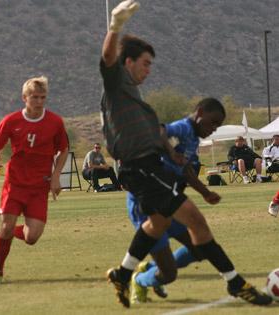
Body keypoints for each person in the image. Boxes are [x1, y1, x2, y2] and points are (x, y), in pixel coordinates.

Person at [101, 0, 271, 308]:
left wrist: (177, 161)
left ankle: (124, 274)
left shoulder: (133, 96)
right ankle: (235, 283)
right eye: (145, 63)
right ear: (128, 63)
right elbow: (107, 60)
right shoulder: (117, 84)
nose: (149, 70)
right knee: (195, 222)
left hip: (147, 168)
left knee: (162, 224)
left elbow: (157, 134)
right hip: (141, 168)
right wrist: (115, 26)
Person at [129, 98, 225, 304]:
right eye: (213, 122)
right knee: (169, 274)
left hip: (171, 203)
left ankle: (149, 270)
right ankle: (140, 280)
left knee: (199, 248)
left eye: (218, 126)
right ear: (199, 112)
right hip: (152, 203)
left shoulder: (193, 140)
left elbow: (187, 171)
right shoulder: (183, 127)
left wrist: (205, 193)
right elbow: (160, 131)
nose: (214, 129)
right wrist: (171, 152)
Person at [0, 76, 69, 285]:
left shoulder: (55, 122)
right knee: (6, 226)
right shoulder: (11, 121)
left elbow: (63, 149)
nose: (39, 101)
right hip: (14, 183)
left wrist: (56, 178)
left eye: (43, 97)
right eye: (35, 97)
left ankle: (9, 232)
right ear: (25, 98)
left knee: (32, 237)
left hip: (39, 186)